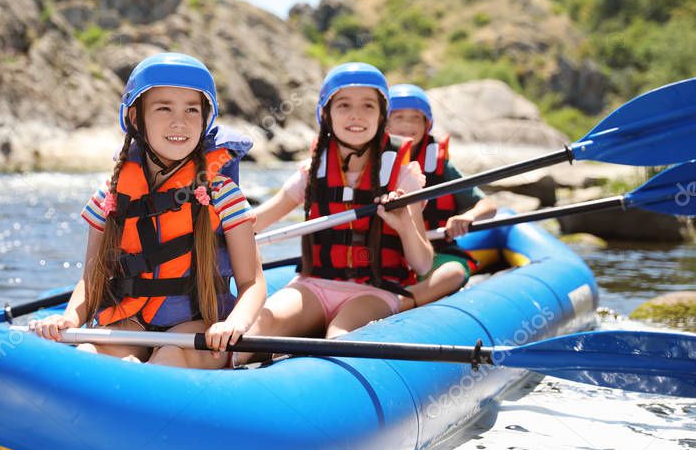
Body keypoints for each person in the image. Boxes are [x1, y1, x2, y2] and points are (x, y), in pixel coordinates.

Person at [29, 52, 266, 368]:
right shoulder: (112, 194)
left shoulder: (222, 194)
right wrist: (70, 317)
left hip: (200, 325)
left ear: (205, 118)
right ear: (136, 118)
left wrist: (234, 324)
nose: (179, 121)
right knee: (88, 357)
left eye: (191, 110)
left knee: (168, 356)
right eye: (164, 108)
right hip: (132, 320)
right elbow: (91, 278)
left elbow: (252, 283)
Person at [244, 62, 433, 344]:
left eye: (368, 106)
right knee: (263, 321)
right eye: (343, 105)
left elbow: (423, 265)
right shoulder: (312, 173)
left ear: (382, 116)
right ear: (326, 114)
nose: (356, 114)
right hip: (313, 284)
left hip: (374, 290)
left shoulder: (403, 176)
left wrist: (406, 225)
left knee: (339, 334)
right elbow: (256, 222)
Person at [387, 84, 496, 308]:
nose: (407, 125)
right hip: (386, 254)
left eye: (415, 119)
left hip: (436, 252)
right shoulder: (371, 163)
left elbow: (488, 205)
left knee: (454, 273)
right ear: (385, 123)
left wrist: (468, 217)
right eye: (398, 118)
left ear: (426, 125)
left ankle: (399, 303)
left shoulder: (440, 168)